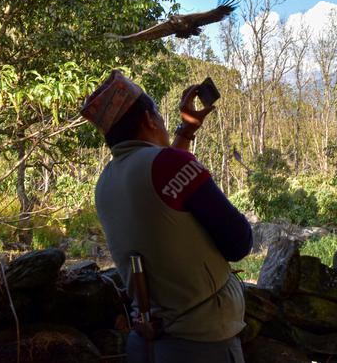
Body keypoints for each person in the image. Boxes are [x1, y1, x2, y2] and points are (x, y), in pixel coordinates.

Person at [80, 69, 253, 363]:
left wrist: (186, 132)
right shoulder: (168, 164)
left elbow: (162, 192)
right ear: (149, 119)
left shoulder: (105, 183)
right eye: (158, 114)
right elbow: (239, 242)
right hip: (201, 342)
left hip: (147, 343)